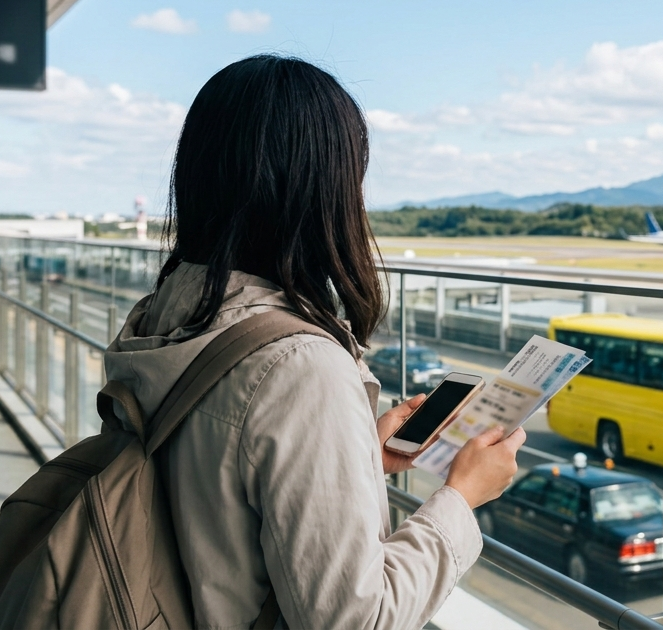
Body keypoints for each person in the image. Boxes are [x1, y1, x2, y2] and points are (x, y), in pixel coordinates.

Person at [103, 55, 525, 629]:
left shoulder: (161, 318)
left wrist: (357, 457)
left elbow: (219, 485)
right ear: (323, 193)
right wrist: (461, 498)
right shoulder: (300, 366)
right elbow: (354, 619)